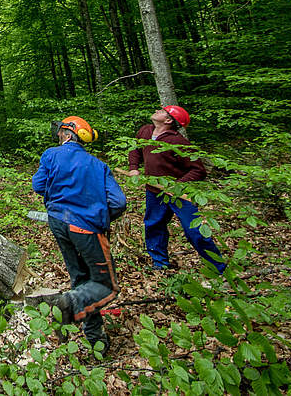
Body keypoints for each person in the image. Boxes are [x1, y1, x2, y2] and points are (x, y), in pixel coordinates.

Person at [29, 116, 126, 354]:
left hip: (59, 223)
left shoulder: (51, 155)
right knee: (105, 286)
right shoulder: (98, 165)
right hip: (85, 227)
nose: (59, 135)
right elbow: (119, 202)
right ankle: (69, 307)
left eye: (62, 132)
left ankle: (95, 340)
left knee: (85, 281)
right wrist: (101, 216)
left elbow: (38, 185)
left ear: (69, 135)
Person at [127, 105, 227, 273]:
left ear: (168, 120)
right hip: (154, 191)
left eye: (163, 111)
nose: (157, 111)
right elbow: (135, 149)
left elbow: (198, 170)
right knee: (153, 225)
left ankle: (218, 268)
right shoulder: (145, 131)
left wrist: (177, 186)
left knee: (194, 231)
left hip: (180, 194)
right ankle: (160, 264)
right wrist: (134, 167)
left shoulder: (178, 142)